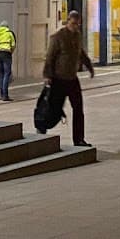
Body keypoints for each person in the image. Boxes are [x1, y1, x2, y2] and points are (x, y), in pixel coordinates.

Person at [42, 11, 95, 148]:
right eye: (73, 23)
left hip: (72, 79)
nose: (75, 26)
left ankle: (79, 139)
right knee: (54, 109)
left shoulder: (77, 36)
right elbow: (50, 57)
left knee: (78, 109)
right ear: (68, 21)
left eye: (77, 24)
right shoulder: (58, 37)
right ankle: (42, 126)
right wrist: (47, 75)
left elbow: (81, 53)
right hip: (58, 79)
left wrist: (89, 67)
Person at [0, 19, 17, 100]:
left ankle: (1, 95)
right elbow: (13, 45)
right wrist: (11, 52)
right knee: (7, 73)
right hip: (6, 53)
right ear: (7, 26)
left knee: (1, 73)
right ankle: (5, 95)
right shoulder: (9, 33)